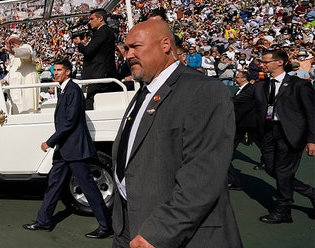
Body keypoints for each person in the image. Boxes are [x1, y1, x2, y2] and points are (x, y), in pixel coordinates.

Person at [112, 20, 241, 247]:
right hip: (130, 225)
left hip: (170, 234)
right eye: (126, 48)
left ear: (165, 45)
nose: (128, 54)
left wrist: (159, 232)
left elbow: (202, 175)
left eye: (135, 47)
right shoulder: (145, 92)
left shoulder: (203, 91)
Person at [23, 58, 112, 239]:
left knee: (89, 188)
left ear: (68, 72)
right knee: (54, 184)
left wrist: (50, 141)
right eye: (54, 70)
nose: (55, 73)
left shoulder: (73, 90)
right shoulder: (64, 90)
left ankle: (106, 226)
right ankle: (44, 221)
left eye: (59, 70)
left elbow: (70, 122)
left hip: (74, 149)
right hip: (65, 149)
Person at [252, 49, 315, 224]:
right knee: (273, 169)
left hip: (291, 133)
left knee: (282, 172)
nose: (262, 65)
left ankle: (283, 210)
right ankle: (311, 193)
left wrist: (312, 140)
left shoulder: (299, 85)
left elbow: (311, 113)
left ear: (280, 62)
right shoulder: (262, 85)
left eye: (265, 62)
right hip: (269, 132)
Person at [73, 8, 118, 110]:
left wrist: (80, 44)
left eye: (92, 19)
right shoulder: (103, 32)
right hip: (101, 73)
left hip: (100, 75)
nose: (89, 22)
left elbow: (89, 51)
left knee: (90, 104)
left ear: (100, 18)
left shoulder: (102, 32)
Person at [227, 70, 259, 190]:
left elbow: (244, 107)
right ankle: (233, 180)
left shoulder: (250, 89)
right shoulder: (244, 89)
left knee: (266, 147)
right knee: (226, 152)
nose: (236, 78)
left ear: (244, 79)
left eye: (238, 77)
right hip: (241, 125)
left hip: (247, 124)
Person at [1, 34, 40, 114]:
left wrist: (12, 51)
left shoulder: (26, 47)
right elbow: (12, 71)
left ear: (20, 40)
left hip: (25, 86)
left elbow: (25, 53)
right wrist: (4, 79)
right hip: (14, 90)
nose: (11, 45)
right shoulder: (13, 56)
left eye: (13, 42)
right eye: (9, 43)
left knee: (27, 109)